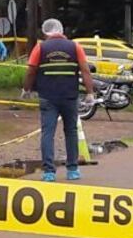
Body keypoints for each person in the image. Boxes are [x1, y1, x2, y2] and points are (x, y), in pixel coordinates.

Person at [22, 19, 95, 182]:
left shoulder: (40, 48)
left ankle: (49, 171)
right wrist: (90, 93)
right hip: (70, 96)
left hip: (48, 96)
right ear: (62, 31)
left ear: (45, 32)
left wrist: (26, 89)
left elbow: (31, 71)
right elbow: (85, 70)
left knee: (48, 132)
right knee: (71, 132)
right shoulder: (75, 47)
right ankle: (72, 169)